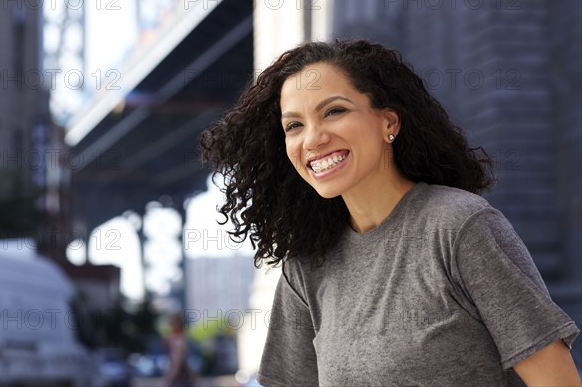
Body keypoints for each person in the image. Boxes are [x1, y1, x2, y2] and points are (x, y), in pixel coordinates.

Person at [200, 40, 581, 386]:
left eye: (334, 111)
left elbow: (557, 381)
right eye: (294, 125)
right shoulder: (305, 265)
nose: (313, 139)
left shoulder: (459, 227)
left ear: (388, 122)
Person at [163, 313, 193, 387]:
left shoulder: (179, 340)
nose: (168, 325)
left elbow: (177, 362)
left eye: (171, 323)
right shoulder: (179, 339)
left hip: (179, 379)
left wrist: (168, 379)